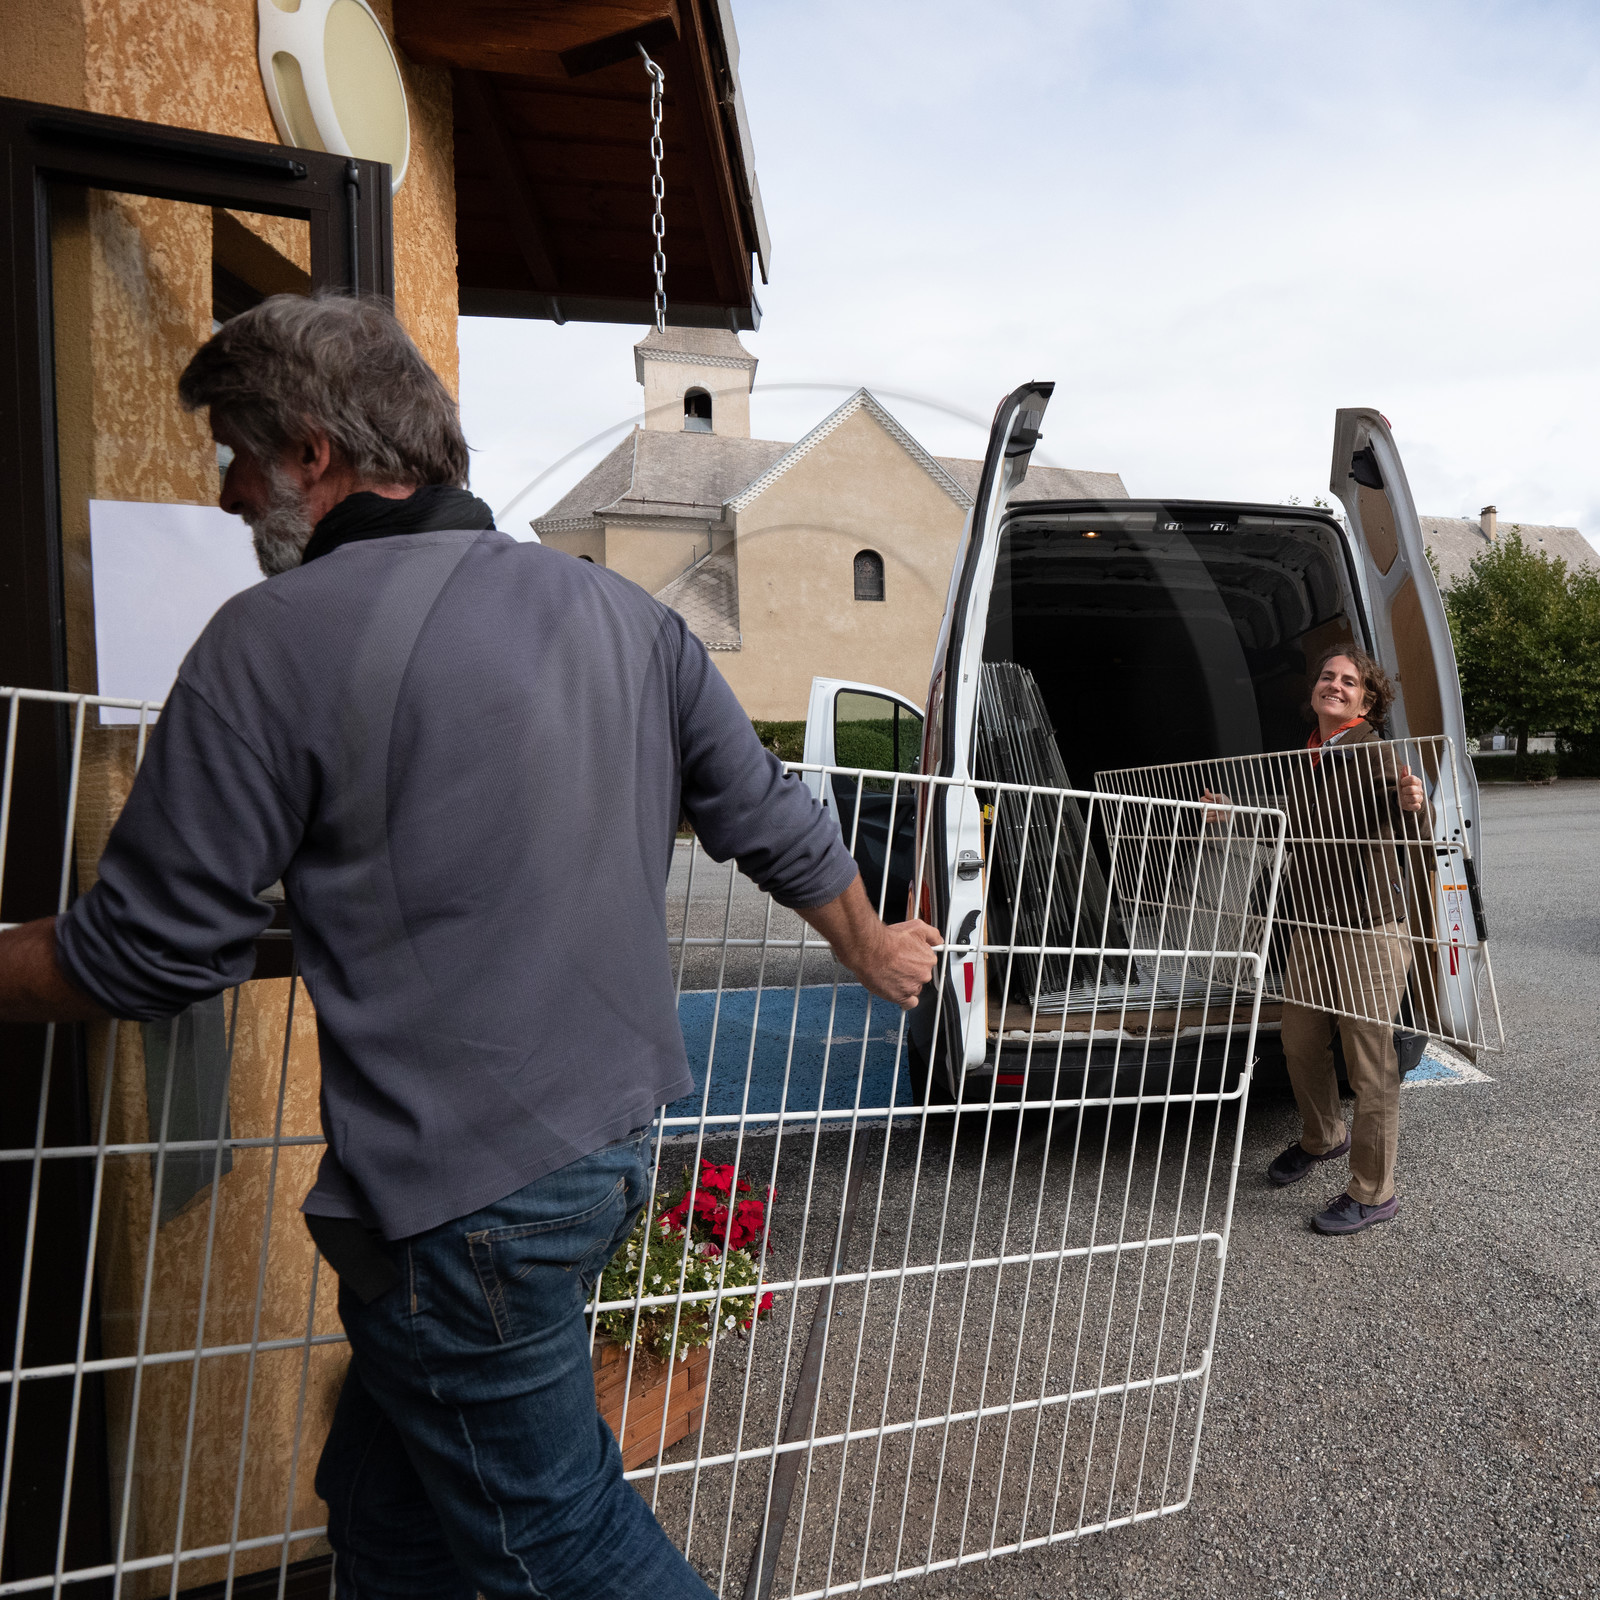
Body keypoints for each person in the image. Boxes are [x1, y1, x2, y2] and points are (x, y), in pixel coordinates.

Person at [0, 294, 941, 1599]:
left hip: (466, 1205)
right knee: (387, 1516)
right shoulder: (626, 619)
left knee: (556, 1543)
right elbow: (767, 812)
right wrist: (873, 944)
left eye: (236, 454)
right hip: (610, 1144)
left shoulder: (267, 645)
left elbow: (146, 954)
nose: (225, 493)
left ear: (315, 454)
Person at [1257, 648, 1429, 1235]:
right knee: (1301, 1043)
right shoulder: (1308, 753)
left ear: (1366, 700)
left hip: (1367, 929)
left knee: (1369, 1062)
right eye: (1328, 677)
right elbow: (1288, 822)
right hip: (1311, 925)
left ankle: (1374, 1191)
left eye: (1349, 682)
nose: (1335, 685)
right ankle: (1325, 1136)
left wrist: (1416, 806)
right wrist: (1233, 812)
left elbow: (1421, 834)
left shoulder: (1374, 753)